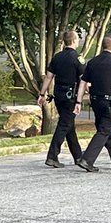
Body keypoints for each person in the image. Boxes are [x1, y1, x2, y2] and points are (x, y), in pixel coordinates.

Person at [74, 36, 111, 172]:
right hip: (110, 103)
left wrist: (79, 101)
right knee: (104, 131)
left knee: (107, 130)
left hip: (95, 101)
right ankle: (87, 159)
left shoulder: (92, 62)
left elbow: (83, 83)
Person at [37, 30, 84, 167]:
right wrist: (81, 99)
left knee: (69, 125)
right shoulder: (78, 58)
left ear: (64, 41)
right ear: (75, 41)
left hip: (58, 95)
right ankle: (52, 156)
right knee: (64, 125)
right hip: (71, 97)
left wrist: (42, 94)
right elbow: (83, 80)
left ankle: (78, 157)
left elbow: (48, 77)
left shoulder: (57, 57)